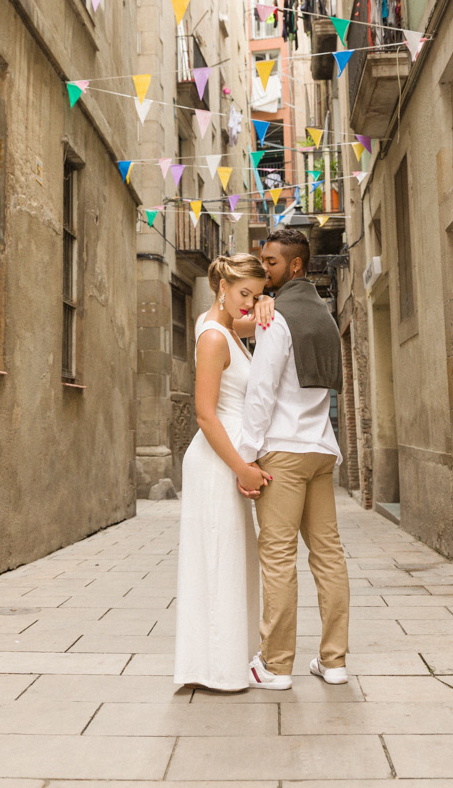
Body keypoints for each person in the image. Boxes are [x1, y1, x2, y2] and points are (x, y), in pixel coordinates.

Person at [238, 228, 350, 690]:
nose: (264, 269)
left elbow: (261, 392)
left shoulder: (278, 318)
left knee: (279, 556)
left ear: (296, 266)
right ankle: (335, 661)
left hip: (282, 452)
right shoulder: (323, 316)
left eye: (270, 262)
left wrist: (246, 458)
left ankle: (277, 665)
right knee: (328, 555)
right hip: (320, 449)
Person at [174, 254, 274, 692]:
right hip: (217, 463)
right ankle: (214, 669)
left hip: (228, 460)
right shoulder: (214, 338)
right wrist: (242, 468)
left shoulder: (228, 324)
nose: (249, 304)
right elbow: (204, 414)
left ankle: (223, 661)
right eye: (244, 294)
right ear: (223, 289)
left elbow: (259, 324)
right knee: (218, 559)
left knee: (230, 559)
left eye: (256, 295)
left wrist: (270, 305)